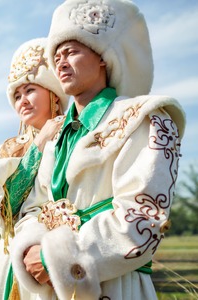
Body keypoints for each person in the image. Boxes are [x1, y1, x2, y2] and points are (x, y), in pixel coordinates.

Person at [10, 0, 187, 299]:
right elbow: (33, 206)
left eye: (72, 52)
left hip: (116, 286)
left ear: (103, 57)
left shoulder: (144, 118)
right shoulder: (54, 136)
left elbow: (143, 217)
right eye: (57, 56)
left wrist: (52, 259)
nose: (61, 63)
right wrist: (30, 247)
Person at [0, 38, 69, 299]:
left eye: (30, 91)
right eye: (16, 95)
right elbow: (8, 209)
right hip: (19, 256)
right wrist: (39, 143)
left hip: (67, 254)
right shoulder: (12, 150)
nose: (22, 101)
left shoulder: (76, 134)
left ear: (53, 92)